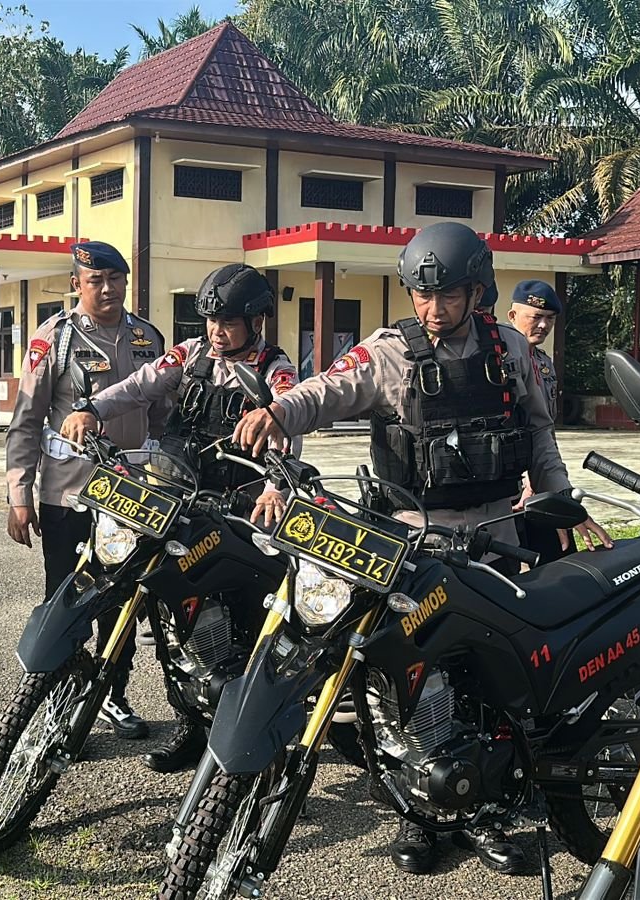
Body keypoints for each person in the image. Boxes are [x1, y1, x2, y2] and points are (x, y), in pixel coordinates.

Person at [233, 222, 611, 877]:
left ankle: (487, 807)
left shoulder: (510, 350)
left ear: (477, 291)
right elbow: (325, 391)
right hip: (411, 539)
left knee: (492, 680)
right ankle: (417, 811)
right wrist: (280, 411)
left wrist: (559, 502)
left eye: (448, 295)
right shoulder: (388, 352)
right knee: (405, 678)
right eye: (422, 295)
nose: (434, 308)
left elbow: (539, 435)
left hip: (496, 535)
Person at [60, 263, 299, 772]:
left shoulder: (275, 369)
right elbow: (138, 385)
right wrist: (92, 409)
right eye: (211, 320)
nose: (217, 331)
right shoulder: (190, 355)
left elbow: (287, 426)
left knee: (238, 623)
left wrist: (276, 487)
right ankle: (192, 726)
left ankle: (255, 742)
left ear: (256, 321)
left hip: (237, 514)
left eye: (229, 322)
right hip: (178, 502)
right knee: (173, 618)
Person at [4, 240, 167, 741]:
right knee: (67, 601)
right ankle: (60, 701)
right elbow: (25, 422)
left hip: (131, 497)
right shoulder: (55, 338)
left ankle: (112, 694)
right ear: (77, 284)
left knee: (122, 603)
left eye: (116, 279)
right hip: (69, 495)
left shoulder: (148, 338)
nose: (108, 288)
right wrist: (19, 494)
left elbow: (164, 417)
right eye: (96, 280)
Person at [508, 279, 576, 563]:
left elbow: (543, 428)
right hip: (509, 486)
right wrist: (527, 480)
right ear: (513, 316)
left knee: (561, 560)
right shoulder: (497, 359)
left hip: (541, 478)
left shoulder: (544, 363)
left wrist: (551, 480)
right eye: (536, 317)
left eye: (550, 319)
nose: (544, 325)